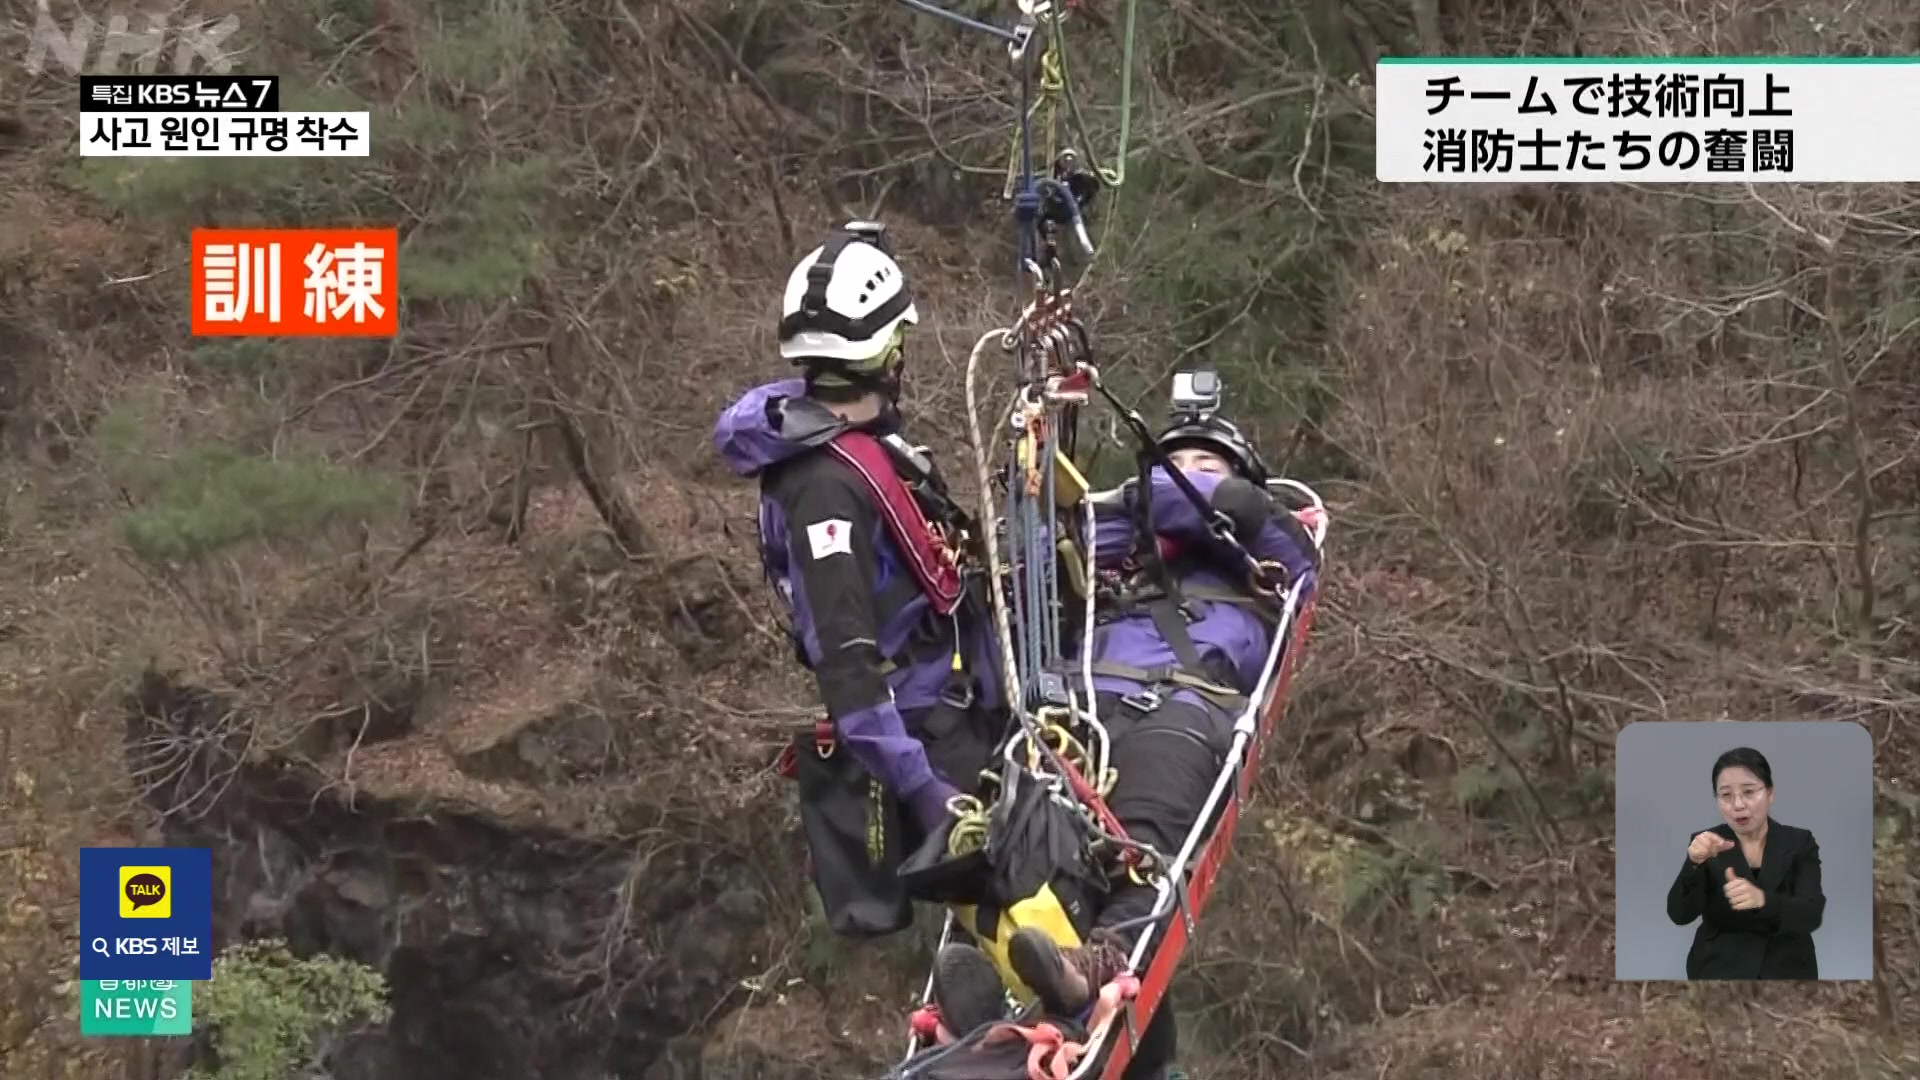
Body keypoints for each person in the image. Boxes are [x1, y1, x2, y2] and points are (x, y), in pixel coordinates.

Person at [926, 399, 1321, 1076]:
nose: (1183, 475)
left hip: (1187, 705)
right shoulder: (1114, 546)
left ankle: (1096, 964)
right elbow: (1036, 553)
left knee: (1142, 845)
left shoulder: (1268, 551)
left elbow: (1284, 543)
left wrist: (1171, 489)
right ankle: (1005, 985)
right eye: (1175, 462)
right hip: (1079, 706)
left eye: (1206, 464)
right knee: (1024, 837)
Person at [712, 221, 1005, 932]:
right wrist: (923, 788)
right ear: (886, 353)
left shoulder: (865, 446)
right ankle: (1051, 984)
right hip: (928, 732)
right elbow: (847, 666)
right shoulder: (823, 490)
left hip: (967, 699)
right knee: (1019, 888)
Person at [1665, 746, 1825, 979]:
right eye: (1726, 795)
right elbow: (1679, 915)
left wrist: (1762, 900)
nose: (1738, 804)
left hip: (1787, 967)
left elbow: (1811, 914)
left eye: (1749, 792)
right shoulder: (1706, 843)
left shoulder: (1800, 842)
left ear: (1770, 793)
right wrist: (1693, 864)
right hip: (1719, 968)